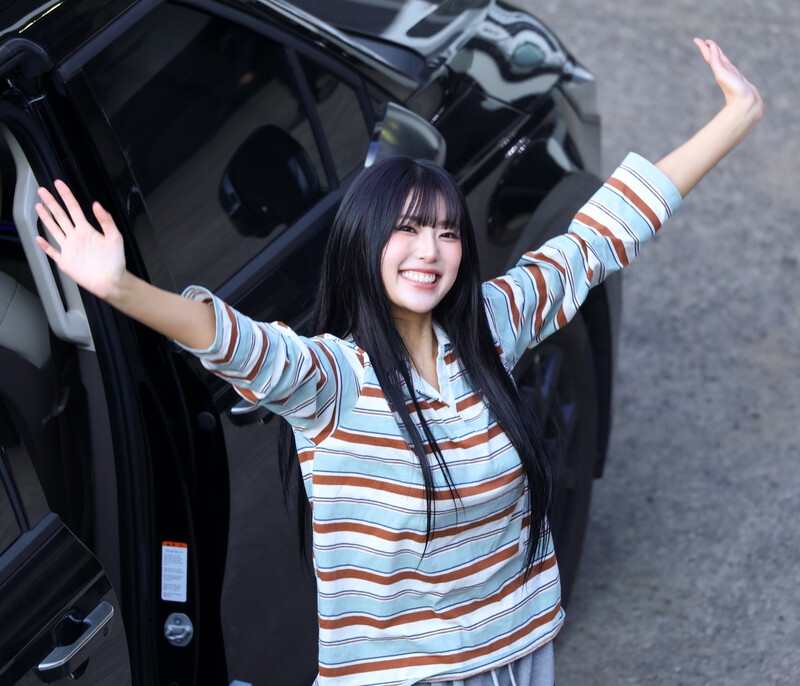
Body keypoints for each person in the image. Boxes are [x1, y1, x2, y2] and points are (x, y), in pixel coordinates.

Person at [34, 38, 762, 686]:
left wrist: (737, 116)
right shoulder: (333, 381)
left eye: (447, 232)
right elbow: (231, 338)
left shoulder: (491, 324)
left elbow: (603, 234)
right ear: (364, 241)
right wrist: (121, 289)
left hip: (517, 653)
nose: (429, 251)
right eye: (406, 230)